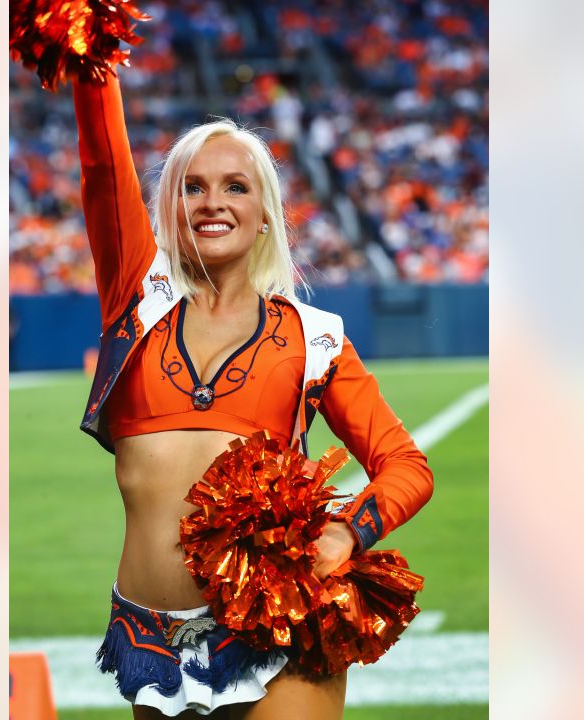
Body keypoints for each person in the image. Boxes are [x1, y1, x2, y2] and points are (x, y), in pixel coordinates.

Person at [73, 71, 433, 719]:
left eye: (235, 187)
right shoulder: (135, 304)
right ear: (170, 211)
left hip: (276, 627)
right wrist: (89, 56)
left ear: (265, 213)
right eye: (193, 188)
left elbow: (406, 464)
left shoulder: (314, 338)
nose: (213, 203)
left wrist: (348, 532)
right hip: (147, 638)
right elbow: (102, 163)